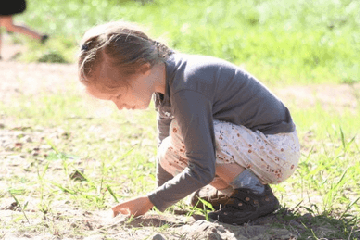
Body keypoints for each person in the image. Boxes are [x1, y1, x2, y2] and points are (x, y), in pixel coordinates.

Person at [78, 21, 301, 225]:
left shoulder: (186, 85)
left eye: (117, 95)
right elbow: (167, 147)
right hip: (254, 148)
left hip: (277, 149)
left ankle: (255, 194)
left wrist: (150, 201)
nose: (119, 106)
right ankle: (232, 195)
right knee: (168, 150)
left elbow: (202, 168)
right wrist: (159, 197)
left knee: (180, 134)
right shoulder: (165, 81)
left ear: (142, 68)